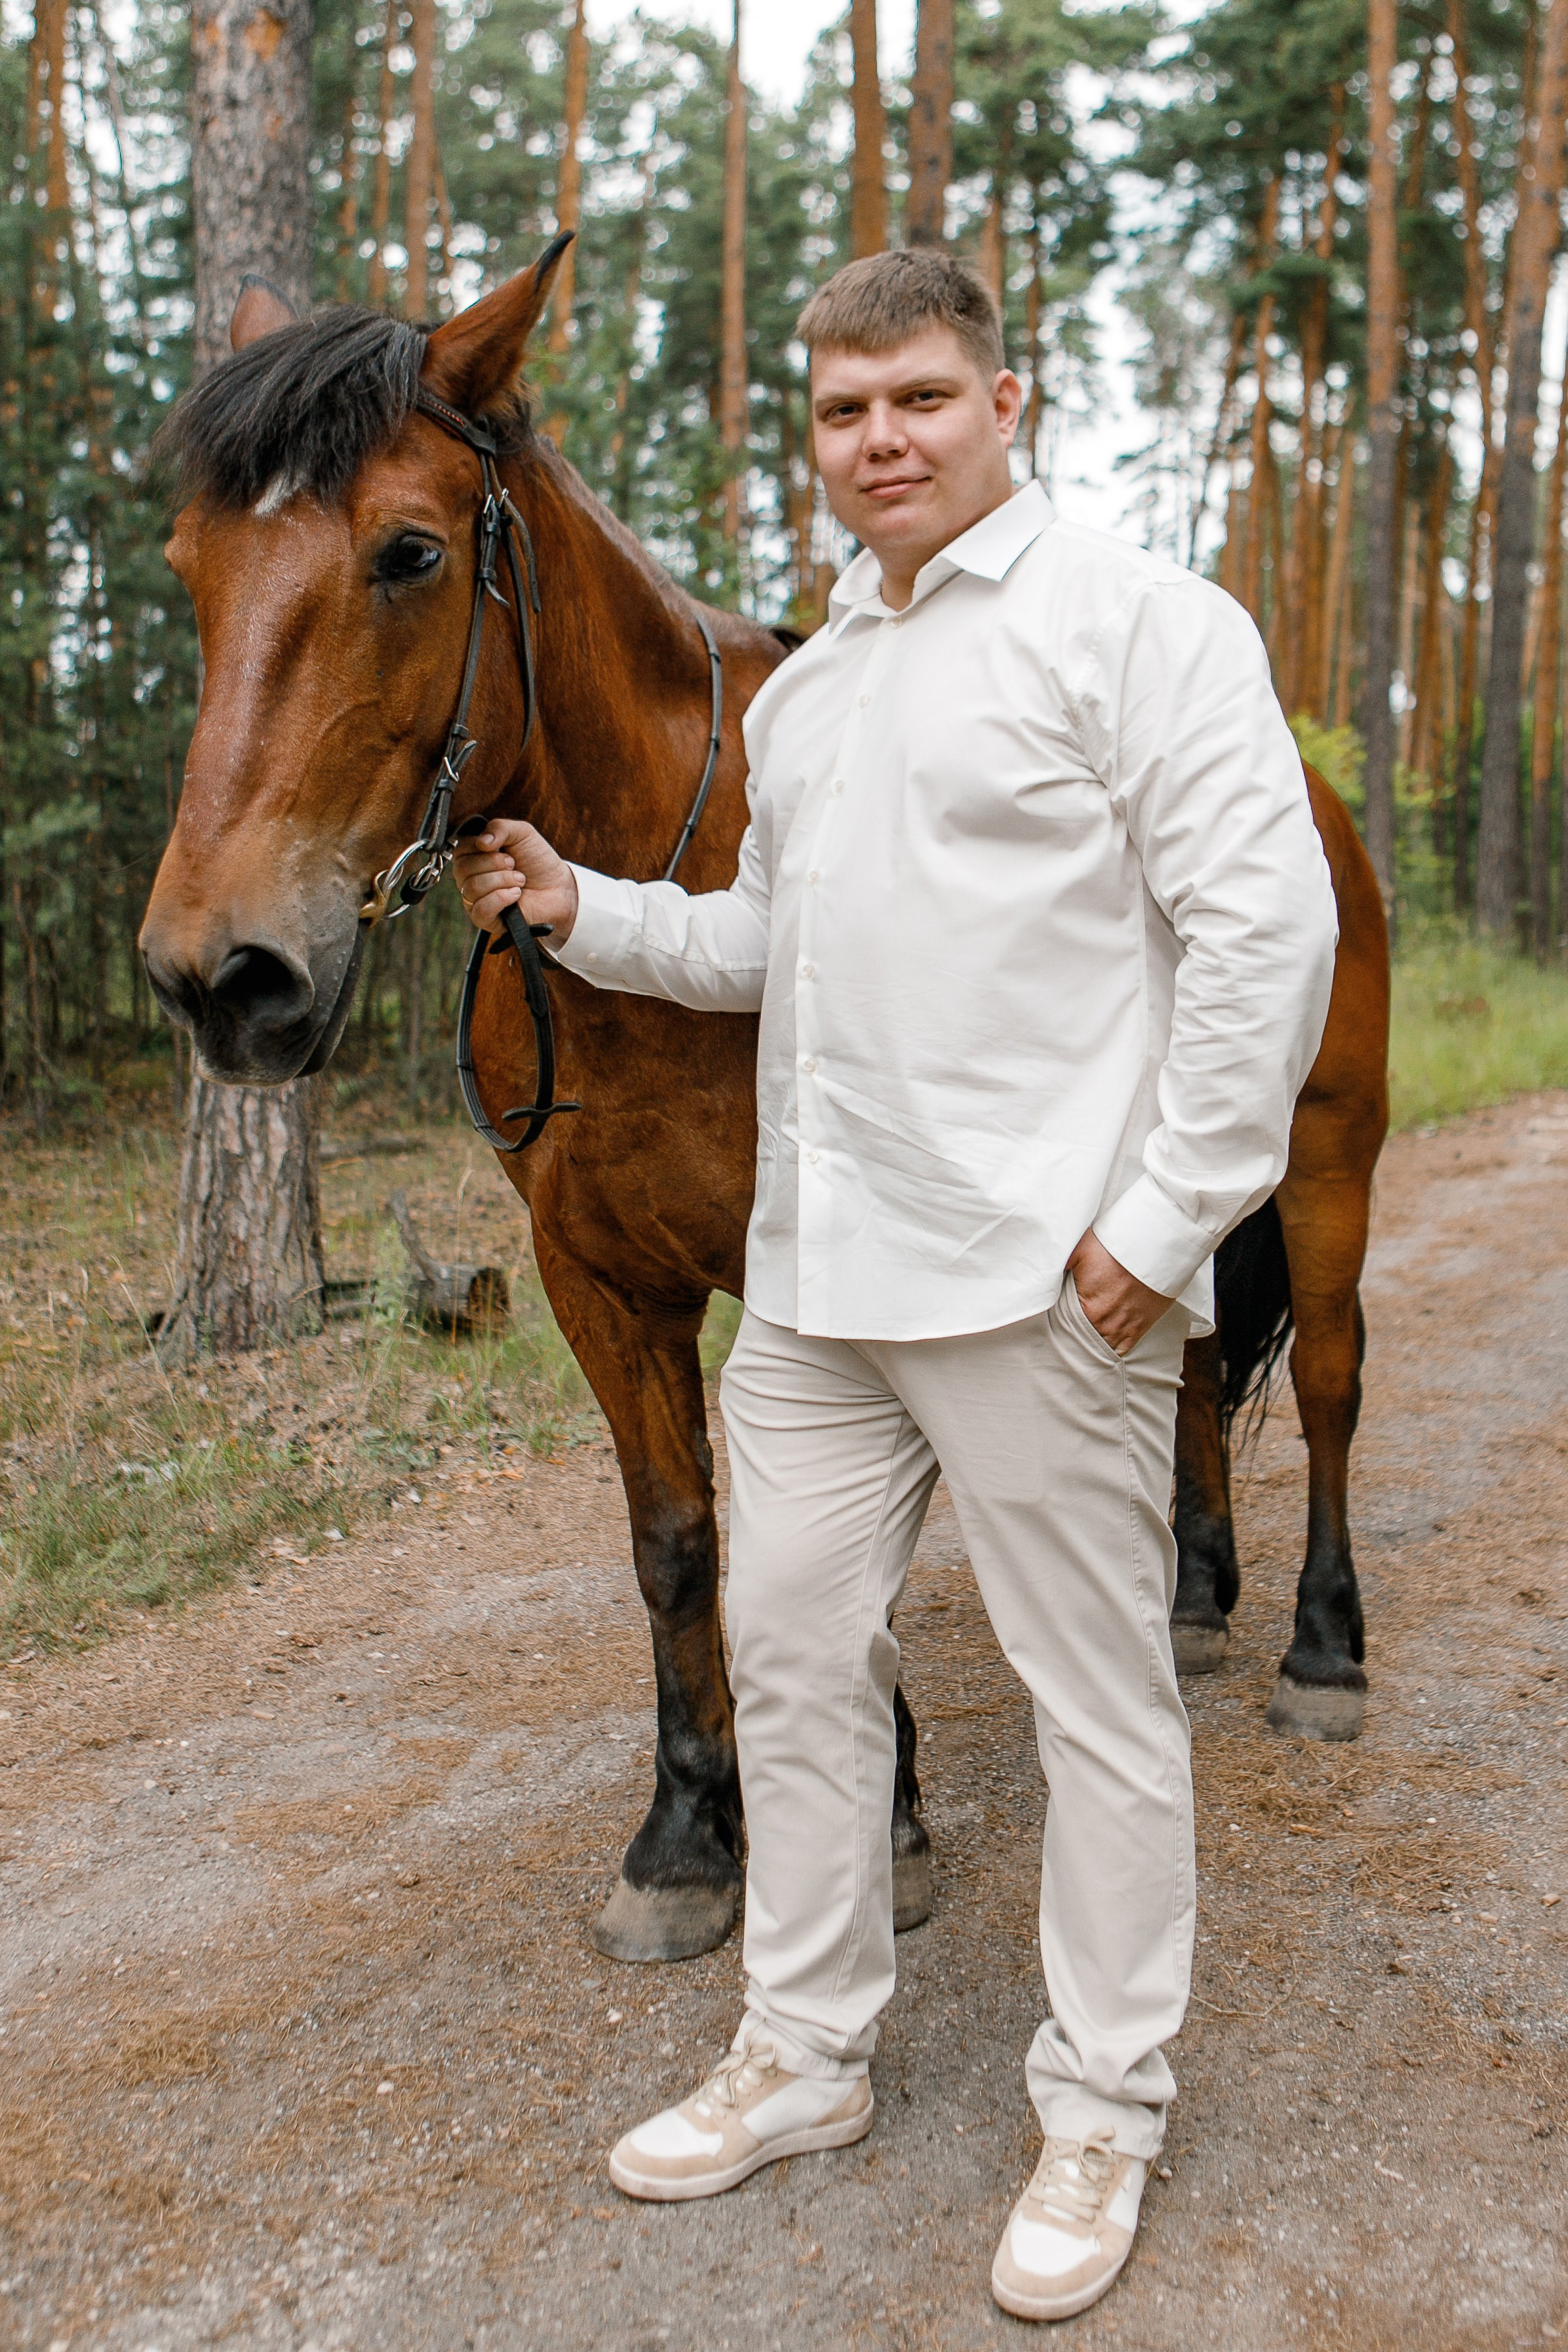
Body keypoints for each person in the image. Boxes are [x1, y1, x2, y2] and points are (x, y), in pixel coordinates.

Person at [454, 249, 1336, 2324]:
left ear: (1004, 399)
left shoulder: (1142, 632)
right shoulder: (823, 688)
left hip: (1050, 1290)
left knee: (1097, 1704)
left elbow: (1258, 938)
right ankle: (807, 2050)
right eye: (846, 413)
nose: (882, 441)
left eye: (920, 398)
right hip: (820, 1296)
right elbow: (773, 947)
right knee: (793, 1661)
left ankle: (1105, 2099)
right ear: (819, 440)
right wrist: (588, 909)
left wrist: (1161, 1221)